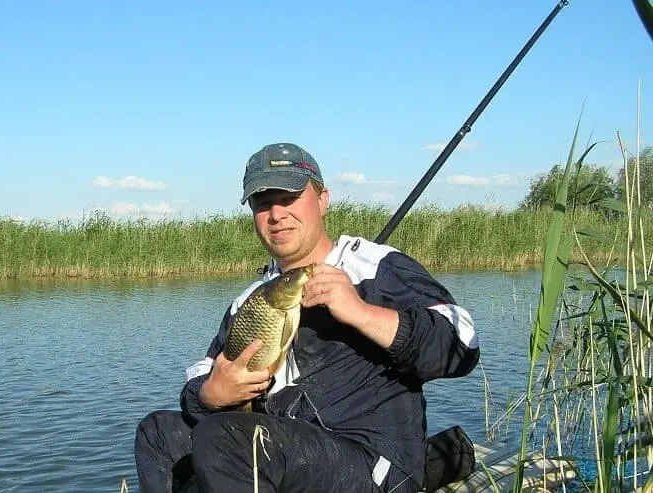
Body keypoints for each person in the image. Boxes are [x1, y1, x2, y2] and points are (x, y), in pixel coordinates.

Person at [135, 142, 480, 492]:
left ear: (323, 200)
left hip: (372, 462)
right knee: (160, 432)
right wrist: (210, 394)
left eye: (288, 198)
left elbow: (462, 345)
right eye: (263, 203)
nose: (276, 215)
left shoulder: (376, 267)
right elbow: (203, 373)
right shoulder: (253, 301)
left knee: (226, 439)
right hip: (285, 449)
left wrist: (361, 313)